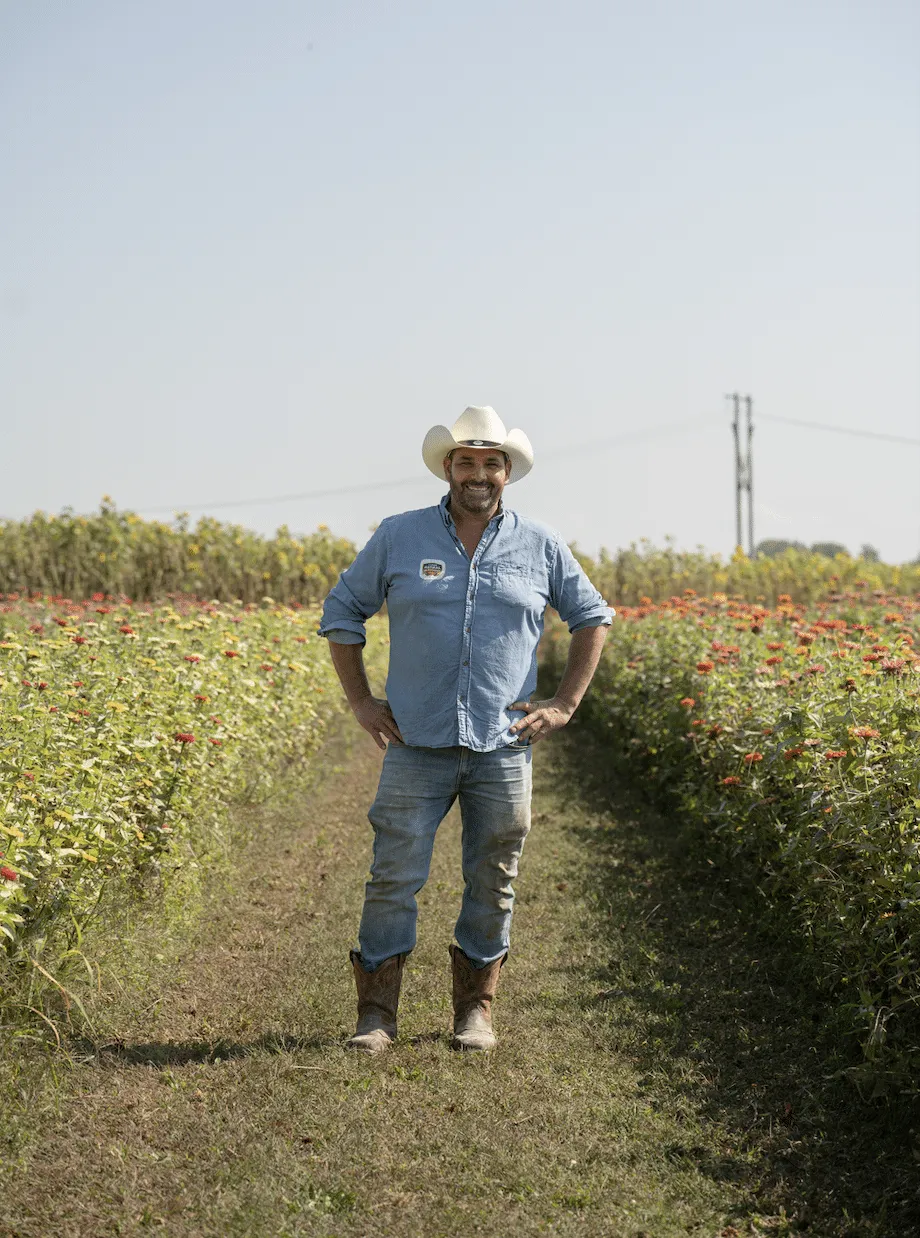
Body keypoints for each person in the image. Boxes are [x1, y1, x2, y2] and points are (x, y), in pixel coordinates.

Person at [318, 406, 613, 1054]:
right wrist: (362, 701)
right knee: (392, 874)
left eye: (490, 463)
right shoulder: (400, 537)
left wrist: (565, 703)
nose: (478, 474)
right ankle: (375, 1015)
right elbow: (342, 612)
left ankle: (475, 1010)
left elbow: (593, 616)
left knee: (494, 874)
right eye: (466, 462)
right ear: (448, 468)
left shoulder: (540, 544)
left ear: (507, 472)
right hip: (415, 744)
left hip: (502, 748)